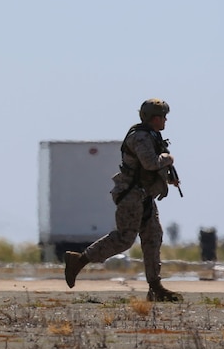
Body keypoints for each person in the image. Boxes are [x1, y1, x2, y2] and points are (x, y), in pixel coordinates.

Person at [65, 98, 182, 302]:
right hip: (131, 195)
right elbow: (149, 163)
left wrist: (168, 177)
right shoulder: (140, 138)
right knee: (124, 239)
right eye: (163, 116)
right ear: (155, 118)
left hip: (144, 196)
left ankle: (155, 287)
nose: (165, 120)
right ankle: (79, 260)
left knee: (153, 237)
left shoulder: (153, 136)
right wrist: (168, 159)